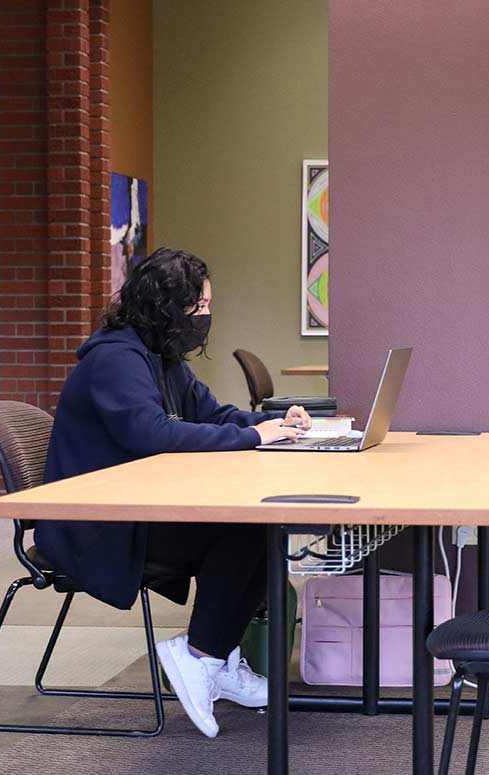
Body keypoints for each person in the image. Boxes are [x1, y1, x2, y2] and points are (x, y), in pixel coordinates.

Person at [36, 247, 311, 738]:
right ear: (167, 306)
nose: (205, 318)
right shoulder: (116, 360)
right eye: (198, 308)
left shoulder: (161, 358)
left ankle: (216, 659)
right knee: (243, 532)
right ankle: (198, 656)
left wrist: (273, 424)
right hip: (95, 526)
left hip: (133, 507)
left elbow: (213, 414)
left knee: (259, 530)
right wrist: (253, 438)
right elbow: (152, 434)